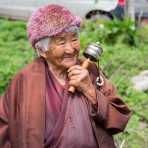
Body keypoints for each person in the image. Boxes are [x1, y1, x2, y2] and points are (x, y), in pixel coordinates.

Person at [0, 4, 131, 148]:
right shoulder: (25, 80)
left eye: (74, 39)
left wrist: (90, 90)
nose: (70, 49)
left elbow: (120, 119)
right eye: (61, 42)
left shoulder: (91, 72)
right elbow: (4, 128)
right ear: (42, 50)